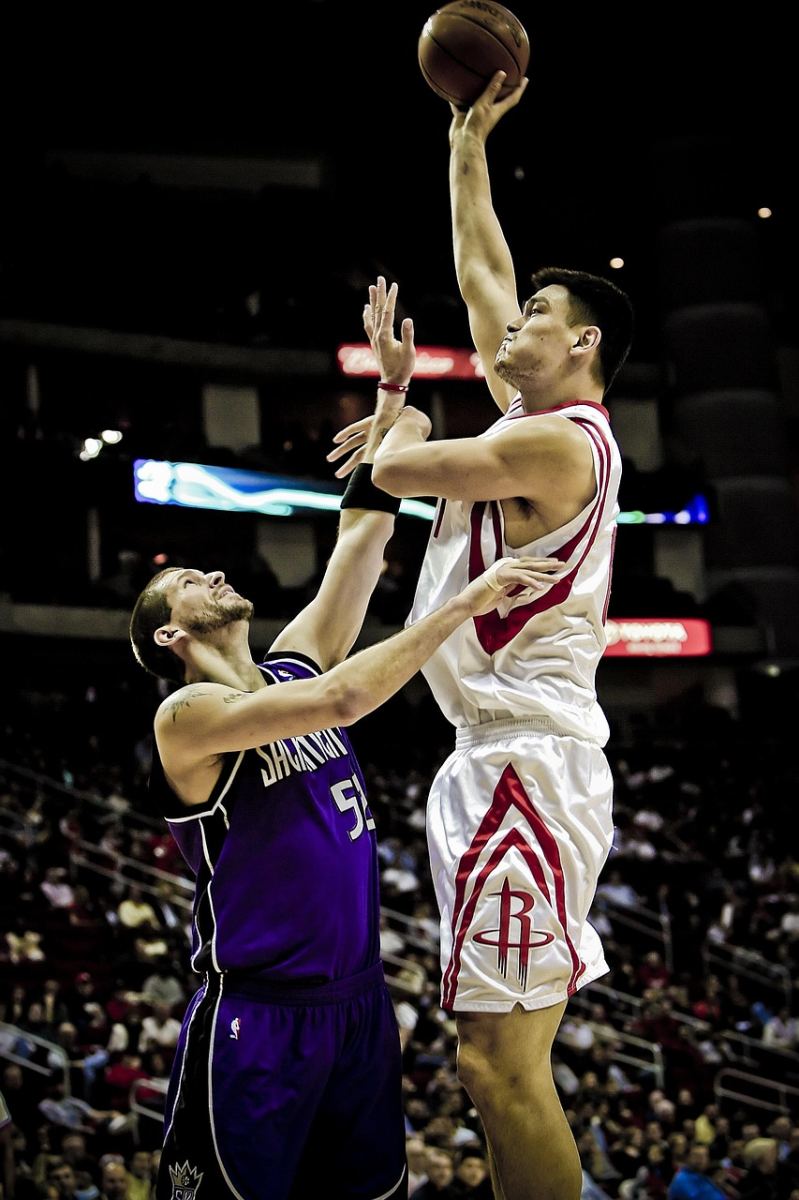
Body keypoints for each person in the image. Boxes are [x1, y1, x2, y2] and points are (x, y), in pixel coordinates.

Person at [129, 317, 560, 1200]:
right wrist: (460, 605)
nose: (211, 576)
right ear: (170, 632)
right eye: (186, 584)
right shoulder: (189, 715)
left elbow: (361, 542)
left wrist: (392, 397)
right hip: (258, 1018)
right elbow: (339, 701)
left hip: (357, 1006)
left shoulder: (291, 658)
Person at [329, 67, 633, 1200]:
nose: (512, 325)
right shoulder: (535, 413)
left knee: (503, 1070)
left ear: (583, 343)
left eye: (536, 321)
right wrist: (465, 141)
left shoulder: (560, 445)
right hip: (491, 752)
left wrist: (397, 396)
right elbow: (479, 264)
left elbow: (395, 464)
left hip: (527, 758)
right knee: (484, 1068)